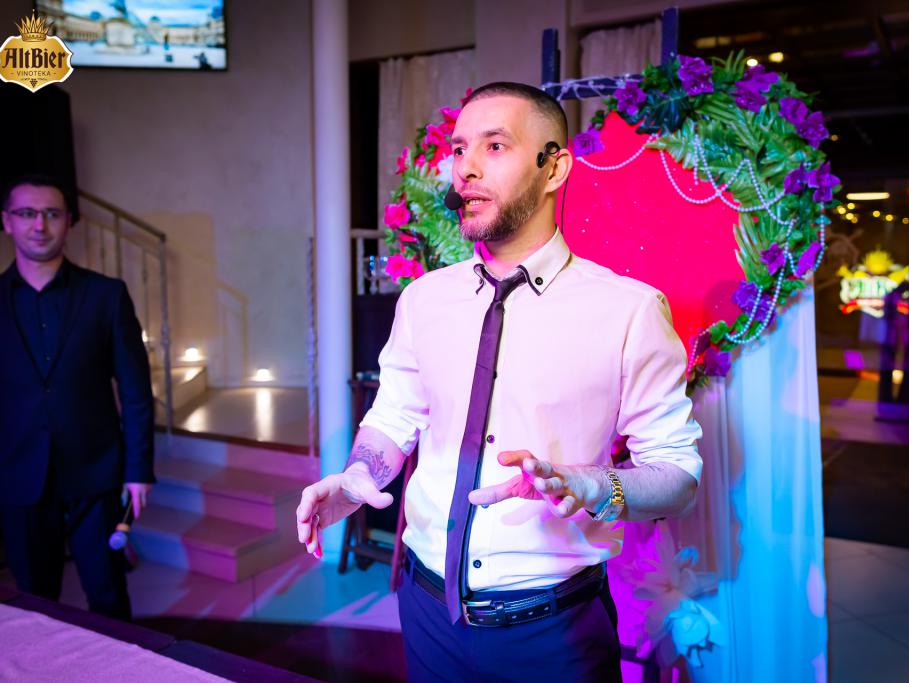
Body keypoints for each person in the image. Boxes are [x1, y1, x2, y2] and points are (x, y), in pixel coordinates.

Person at [296, 82, 702, 682]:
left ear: (554, 167)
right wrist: (360, 476)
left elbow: (678, 478)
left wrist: (591, 484)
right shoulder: (423, 300)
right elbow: (395, 415)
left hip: (554, 633)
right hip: (427, 612)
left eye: (494, 146)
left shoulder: (629, 311)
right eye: (459, 149)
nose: (465, 169)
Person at [0, 174, 155, 621]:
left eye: (51, 213)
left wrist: (139, 470)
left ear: (68, 222)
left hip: (96, 472)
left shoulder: (106, 295)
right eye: (26, 213)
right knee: (34, 602)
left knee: (108, 595)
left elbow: (136, 391)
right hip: (18, 475)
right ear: (7, 221)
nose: (39, 225)